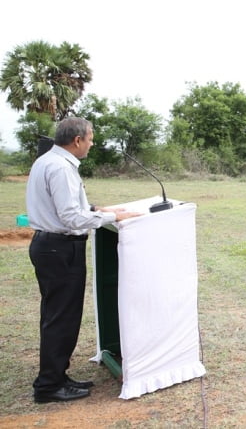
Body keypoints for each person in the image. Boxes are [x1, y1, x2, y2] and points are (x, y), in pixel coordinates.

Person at [26, 117, 142, 403]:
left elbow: (67, 206)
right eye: (90, 139)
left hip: (50, 246)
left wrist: (95, 208)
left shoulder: (48, 160)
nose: (91, 144)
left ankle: (57, 375)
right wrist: (114, 216)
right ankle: (49, 385)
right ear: (77, 140)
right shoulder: (61, 168)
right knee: (61, 319)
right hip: (60, 248)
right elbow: (71, 217)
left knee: (56, 316)